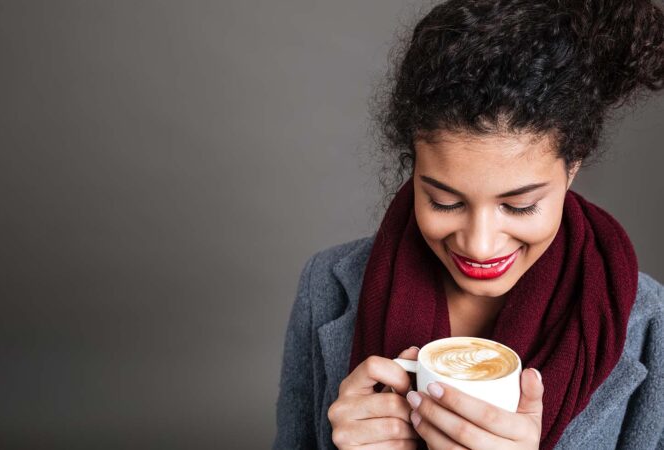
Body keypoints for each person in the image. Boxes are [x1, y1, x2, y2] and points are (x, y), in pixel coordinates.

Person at [273, 0, 664, 448]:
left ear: (572, 166)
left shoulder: (649, 321)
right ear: (414, 167)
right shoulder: (325, 285)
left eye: (518, 206)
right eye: (444, 202)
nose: (479, 246)